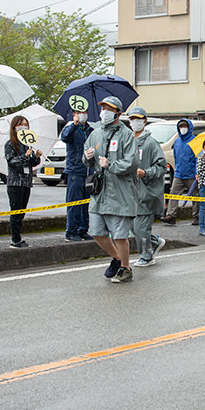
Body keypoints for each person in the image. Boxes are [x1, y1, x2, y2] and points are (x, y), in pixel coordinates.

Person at [83, 96, 139, 283]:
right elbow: (87, 157)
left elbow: (131, 162)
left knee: (120, 235)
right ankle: (117, 259)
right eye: (103, 107)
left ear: (118, 113)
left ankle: (125, 268)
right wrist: (88, 157)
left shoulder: (127, 134)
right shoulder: (95, 133)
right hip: (100, 193)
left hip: (120, 192)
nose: (104, 111)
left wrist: (111, 164)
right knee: (96, 231)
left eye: (109, 108)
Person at [128, 107, 167, 267]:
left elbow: (162, 166)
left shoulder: (151, 143)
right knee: (133, 226)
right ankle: (155, 242)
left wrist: (146, 172)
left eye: (138, 119)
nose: (135, 122)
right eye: (132, 119)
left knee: (140, 227)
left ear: (144, 120)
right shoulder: (128, 141)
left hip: (147, 192)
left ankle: (147, 255)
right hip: (130, 192)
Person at [5, 115, 42, 248]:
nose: (23, 127)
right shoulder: (10, 144)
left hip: (26, 182)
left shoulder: (27, 144)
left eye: (25, 124)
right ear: (14, 127)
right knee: (15, 211)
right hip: (15, 183)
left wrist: (36, 157)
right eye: (20, 124)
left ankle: (18, 237)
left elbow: (31, 163)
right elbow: (12, 162)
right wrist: (24, 156)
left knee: (22, 211)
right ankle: (15, 239)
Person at [60, 106, 93, 241]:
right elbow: (65, 137)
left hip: (88, 171)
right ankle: (71, 231)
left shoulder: (90, 130)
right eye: (79, 112)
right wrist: (74, 124)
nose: (82, 114)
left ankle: (83, 229)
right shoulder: (70, 128)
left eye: (84, 112)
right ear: (74, 114)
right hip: (75, 171)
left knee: (85, 203)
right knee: (74, 203)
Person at [162, 119, 199, 225]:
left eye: (185, 126)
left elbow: (197, 158)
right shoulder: (177, 141)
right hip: (179, 174)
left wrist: (196, 172)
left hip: (191, 174)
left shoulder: (194, 141)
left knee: (195, 196)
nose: (183, 128)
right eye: (181, 126)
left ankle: (196, 217)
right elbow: (176, 157)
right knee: (173, 194)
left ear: (189, 128)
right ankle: (171, 215)